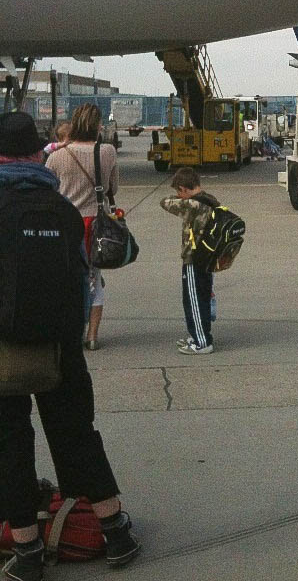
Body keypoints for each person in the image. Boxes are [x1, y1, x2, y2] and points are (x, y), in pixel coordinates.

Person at [0, 112, 140, 579]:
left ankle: (27, 554)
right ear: (37, 153)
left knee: (10, 444)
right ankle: (116, 532)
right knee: (77, 435)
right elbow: (78, 280)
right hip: (60, 347)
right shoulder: (58, 208)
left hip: (4, 346)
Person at [46, 103, 117, 352]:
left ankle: (71, 332)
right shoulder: (107, 151)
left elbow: (48, 190)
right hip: (96, 225)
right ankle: (93, 335)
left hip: (66, 225)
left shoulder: (56, 156)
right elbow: (112, 189)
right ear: (97, 125)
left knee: (65, 280)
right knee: (95, 280)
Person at [160, 167, 220, 354]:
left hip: (194, 259)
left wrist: (181, 199)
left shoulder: (192, 205)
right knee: (202, 297)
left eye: (179, 191)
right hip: (208, 257)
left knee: (193, 301)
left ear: (183, 189)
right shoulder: (210, 199)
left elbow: (165, 202)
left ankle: (202, 342)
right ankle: (199, 335)